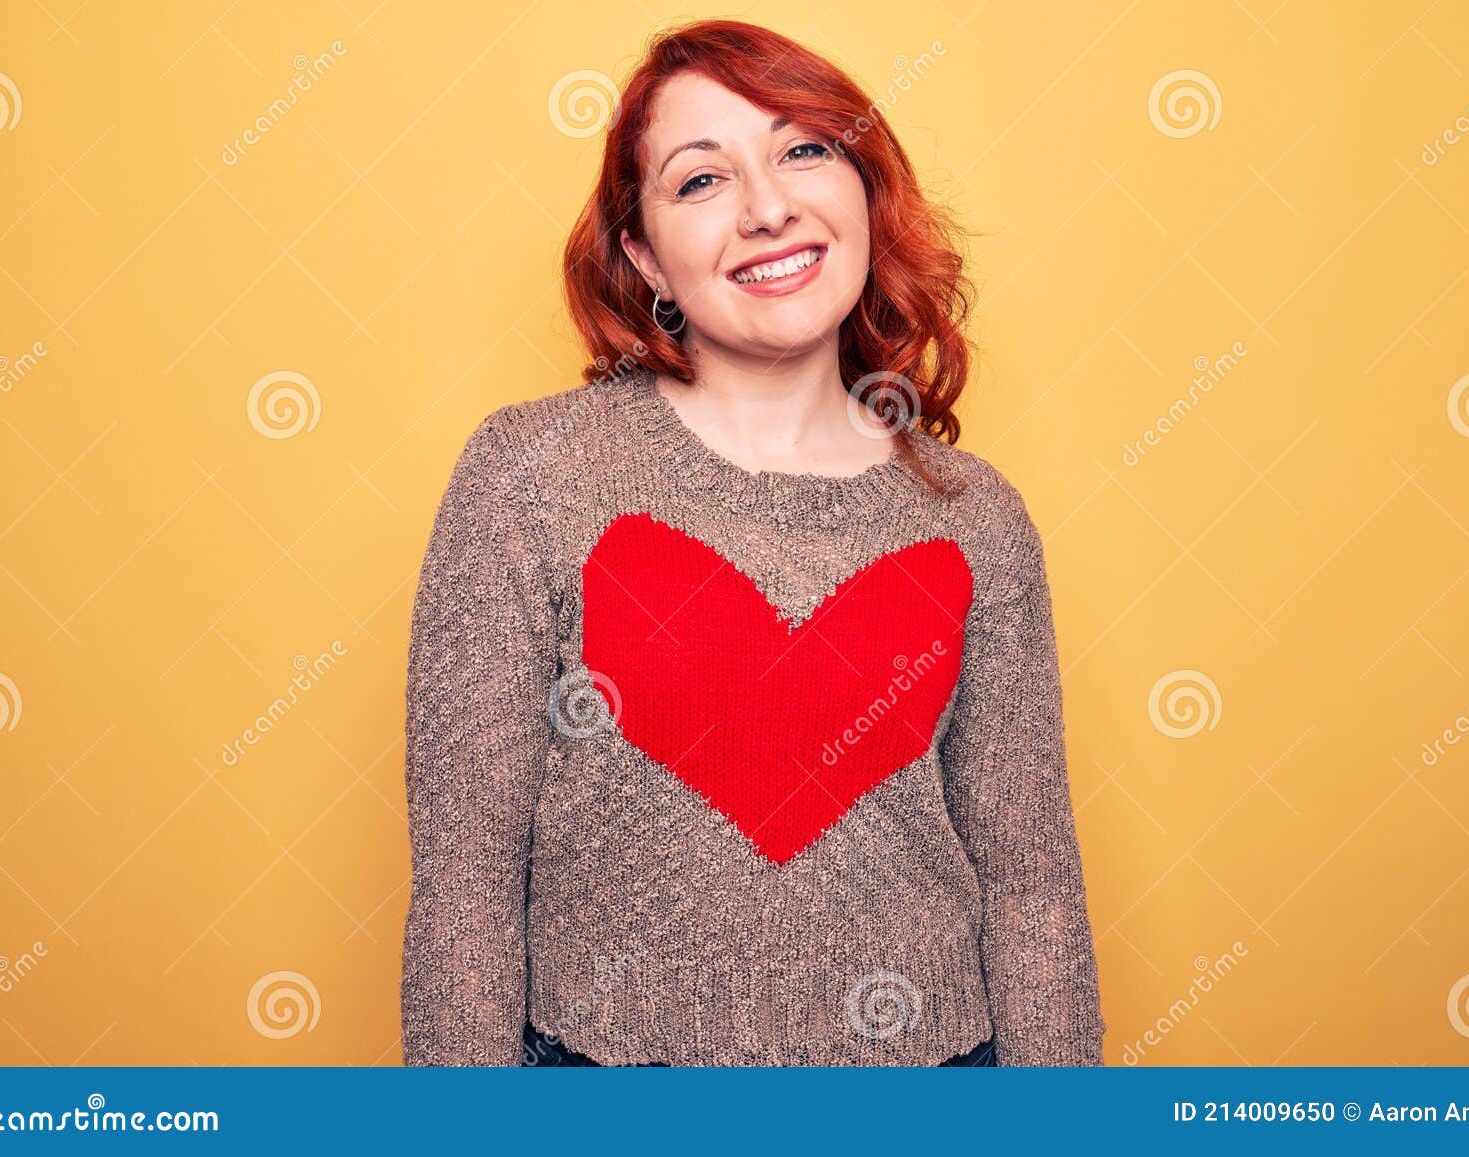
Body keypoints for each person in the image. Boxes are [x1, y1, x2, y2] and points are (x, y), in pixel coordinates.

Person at [400, 17, 1106, 1067]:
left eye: (803, 151)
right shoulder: (529, 477)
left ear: (864, 191)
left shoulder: (976, 518)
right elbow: (465, 886)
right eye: (700, 181)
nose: (768, 207)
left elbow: (1031, 886)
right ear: (643, 251)